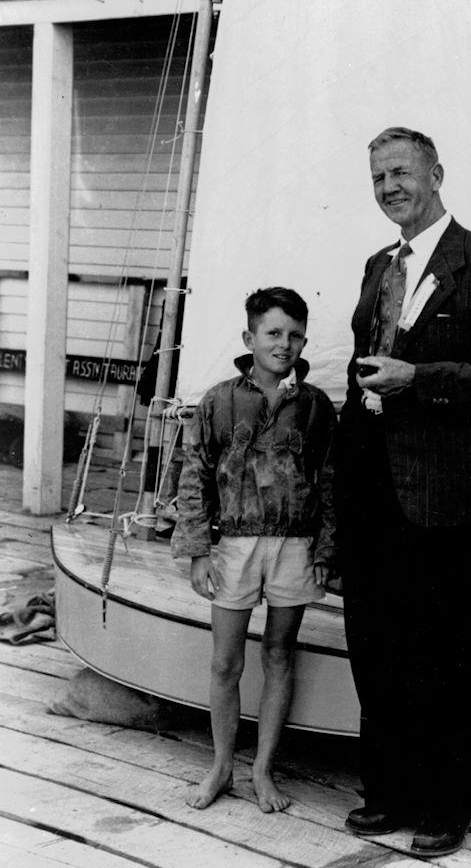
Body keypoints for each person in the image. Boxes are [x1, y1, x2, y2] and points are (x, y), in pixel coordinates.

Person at [335, 127, 471, 857]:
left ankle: (444, 806)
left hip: (445, 498)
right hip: (372, 496)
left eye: (402, 173)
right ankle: (387, 793)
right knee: (375, 648)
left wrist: (418, 380)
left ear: (437, 174)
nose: (390, 187)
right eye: (379, 178)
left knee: (439, 651)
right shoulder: (377, 266)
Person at [172, 287, 337, 813]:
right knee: (225, 663)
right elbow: (194, 474)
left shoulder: (314, 407)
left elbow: (332, 483)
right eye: (273, 334)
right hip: (235, 547)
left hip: (294, 546)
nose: (284, 345)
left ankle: (263, 769)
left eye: (294, 335)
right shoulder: (219, 400)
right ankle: (221, 766)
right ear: (250, 338)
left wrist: (326, 551)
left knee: (280, 654)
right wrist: (199, 551)